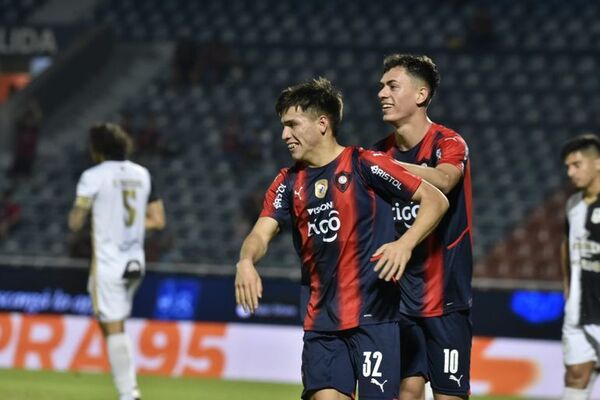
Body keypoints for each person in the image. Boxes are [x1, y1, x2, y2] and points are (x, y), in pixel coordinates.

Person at [235, 77, 449, 400]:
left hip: (374, 318)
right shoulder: (288, 182)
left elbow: (436, 200)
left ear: (322, 124)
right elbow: (260, 233)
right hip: (322, 323)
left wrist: (405, 244)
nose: (284, 135)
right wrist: (246, 261)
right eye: (283, 126)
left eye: (292, 124)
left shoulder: (364, 164)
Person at [372, 54, 473, 400]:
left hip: (445, 297)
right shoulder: (378, 153)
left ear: (421, 94)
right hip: (397, 299)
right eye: (382, 86)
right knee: (406, 391)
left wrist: (388, 168)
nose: (382, 93)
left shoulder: (449, 143)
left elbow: (445, 180)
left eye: (392, 85)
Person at [68, 123, 166, 400]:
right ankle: (127, 388)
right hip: (135, 262)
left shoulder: (93, 175)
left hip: (109, 263)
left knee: (113, 326)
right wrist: (130, 230)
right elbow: (158, 220)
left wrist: (78, 215)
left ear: (97, 149)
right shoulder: (142, 174)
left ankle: (128, 393)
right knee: (110, 319)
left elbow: (76, 221)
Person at [560, 134, 600, 400]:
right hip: (579, 307)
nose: (570, 172)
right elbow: (566, 245)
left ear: (597, 163)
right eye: (567, 167)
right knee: (575, 373)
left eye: (576, 164)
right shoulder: (573, 204)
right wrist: (567, 288)